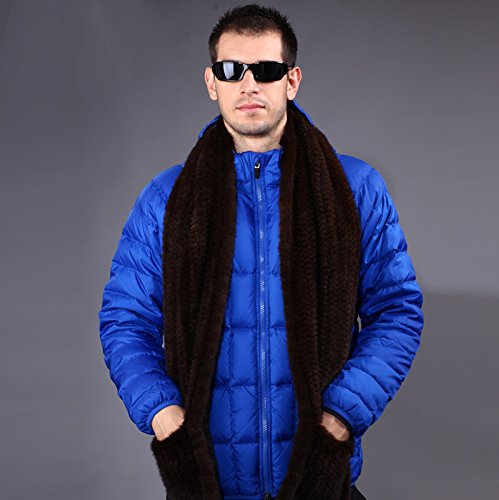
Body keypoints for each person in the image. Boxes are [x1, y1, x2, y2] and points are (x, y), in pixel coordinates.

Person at [98, 4, 424, 500]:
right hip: (207, 482)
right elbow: (125, 319)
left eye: (266, 69)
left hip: (321, 477)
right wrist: (164, 416)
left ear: (291, 80)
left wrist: (341, 417)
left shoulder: (355, 189)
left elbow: (397, 311)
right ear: (212, 83)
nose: (248, 84)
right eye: (232, 70)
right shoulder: (167, 198)